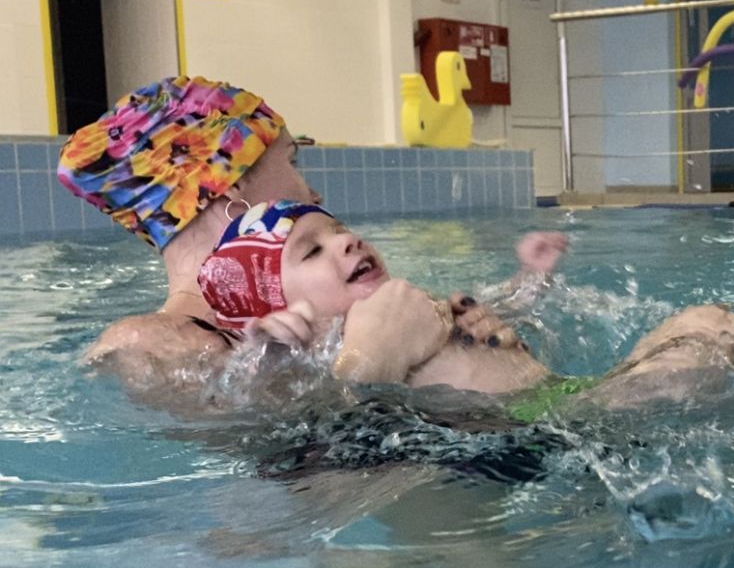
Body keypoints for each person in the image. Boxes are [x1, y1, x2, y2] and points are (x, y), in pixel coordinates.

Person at [55, 75, 517, 402]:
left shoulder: (319, 304)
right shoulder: (146, 344)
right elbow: (281, 490)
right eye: (293, 162)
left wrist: (477, 336)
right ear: (229, 186)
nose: (314, 194)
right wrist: (375, 360)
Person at [198, 200, 734, 413]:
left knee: (712, 323)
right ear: (279, 307)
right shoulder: (330, 356)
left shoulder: (416, 307)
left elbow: (494, 315)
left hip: (569, 403)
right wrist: (273, 356)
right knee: (704, 336)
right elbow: (295, 417)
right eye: (312, 251)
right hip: (554, 428)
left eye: (340, 229)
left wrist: (530, 280)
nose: (346, 240)